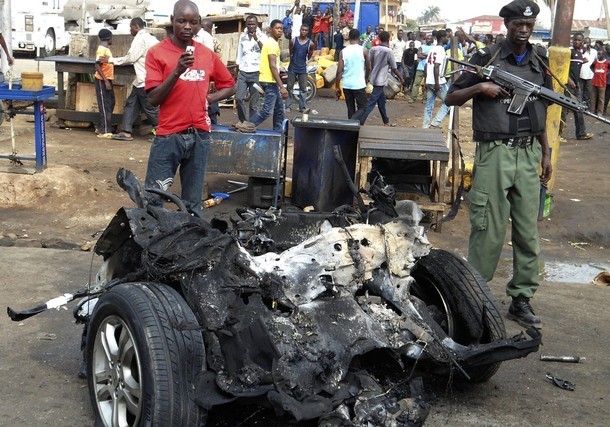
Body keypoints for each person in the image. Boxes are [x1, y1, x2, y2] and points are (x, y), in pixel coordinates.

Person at [445, 0, 553, 329]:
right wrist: (480, 86)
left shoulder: (539, 61)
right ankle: (474, 296)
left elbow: (541, 111)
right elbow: (450, 96)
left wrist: (546, 151)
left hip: (529, 152)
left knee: (527, 231)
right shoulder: (485, 57)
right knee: (488, 227)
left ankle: (521, 299)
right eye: (518, 24)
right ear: (506, 25)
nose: (523, 30)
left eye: (529, 25)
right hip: (495, 152)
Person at [144, 0, 236, 217]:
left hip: (199, 137)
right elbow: (153, 99)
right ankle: (150, 246)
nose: (188, 27)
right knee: (153, 200)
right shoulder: (157, 53)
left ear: (199, 24)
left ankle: (189, 245)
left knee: (193, 204)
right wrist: (177, 70)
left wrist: (209, 98)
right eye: (182, 21)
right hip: (169, 137)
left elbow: (230, 85)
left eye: (193, 22)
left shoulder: (206, 53)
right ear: (172, 21)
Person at [104, 18, 159, 141]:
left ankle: (162, 132)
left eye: (130, 27)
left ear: (135, 26)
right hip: (142, 80)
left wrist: (111, 60)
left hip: (145, 80)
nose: (130, 30)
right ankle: (126, 131)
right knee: (131, 104)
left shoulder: (140, 39)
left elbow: (131, 58)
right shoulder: (151, 38)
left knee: (149, 108)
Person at [249, 20, 288, 131]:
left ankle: (277, 133)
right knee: (267, 110)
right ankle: (246, 125)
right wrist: (282, 87)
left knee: (279, 109)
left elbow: (263, 49)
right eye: (277, 28)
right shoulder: (272, 44)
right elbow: (273, 66)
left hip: (269, 80)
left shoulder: (270, 42)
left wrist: (256, 39)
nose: (280, 30)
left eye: (281, 28)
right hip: (269, 80)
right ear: (271, 29)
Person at [358, 31, 403, 126]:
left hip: (373, 77)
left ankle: (386, 121)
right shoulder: (389, 51)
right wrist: (401, 78)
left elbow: (368, 64)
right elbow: (394, 68)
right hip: (381, 79)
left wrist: (367, 76)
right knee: (371, 102)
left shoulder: (373, 49)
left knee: (381, 101)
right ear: (388, 40)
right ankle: (360, 121)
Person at [235, 15, 265, 125]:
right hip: (243, 72)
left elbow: (265, 50)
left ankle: (252, 124)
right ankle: (243, 121)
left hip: (256, 73)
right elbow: (239, 53)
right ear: (246, 24)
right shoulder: (242, 37)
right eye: (249, 24)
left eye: (253, 24)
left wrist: (256, 38)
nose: (251, 26)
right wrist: (237, 66)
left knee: (254, 102)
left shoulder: (262, 36)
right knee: (239, 98)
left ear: (256, 25)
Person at [562, 33, 593, 140]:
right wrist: (568, 79)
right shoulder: (569, 52)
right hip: (568, 84)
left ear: (582, 42)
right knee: (564, 109)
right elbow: (562, 68)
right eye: (575, 40)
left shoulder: (580, 54)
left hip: (576, 85)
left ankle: (581, 134)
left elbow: (583, 62)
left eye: (579, 40)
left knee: (578, 109)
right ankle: (558, 134)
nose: (576, 42)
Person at [336, 29, 370, 122]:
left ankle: (351, 129)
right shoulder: (364, 50)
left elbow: (339, 70)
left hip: (346, 84)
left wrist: (337, 86)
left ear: (349, 38)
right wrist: (366, 78)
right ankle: (351, 121)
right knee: (363, 107)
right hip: (359, 84)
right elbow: (368, 68)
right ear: (359, 38)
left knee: (350, 108)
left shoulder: (343, 51)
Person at [422, 30, 451, 129]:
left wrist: (426, 80)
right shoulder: (441, 50)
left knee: (429, 105)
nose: (448, 38)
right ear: (442, 38)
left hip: (429, 81)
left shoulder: (432, 49)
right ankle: (435, 123)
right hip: (438, 82)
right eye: (446, 37)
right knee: (448, 102)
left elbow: (426, 66)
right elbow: (436, 66)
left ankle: (425, 126)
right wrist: (437, 83)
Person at [286, 24, 314, 113]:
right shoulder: (293, 41)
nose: (303, 32)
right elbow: (291, 51)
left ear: (308, 32)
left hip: (302, 68)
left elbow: (309, 55)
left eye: (305, 30)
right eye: (302, 30)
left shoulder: (310, 43)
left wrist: (303, 62)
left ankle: (302, 107)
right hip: (292, 67)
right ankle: (287, 106)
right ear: (300, 30)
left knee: (303, 88)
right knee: (289, 87)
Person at [94, 29, 115, 138]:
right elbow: (97, 65)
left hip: (107, 79)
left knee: (111, 103)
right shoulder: (102, 50)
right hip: (102, 80)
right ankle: (105, 130)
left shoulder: (106, 49)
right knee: (104, 105)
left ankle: (101, 126)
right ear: (109, 38)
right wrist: (106, 80)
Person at [410, 33, 433, 103]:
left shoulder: (434, 47)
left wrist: (424, 54)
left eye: (429, 39)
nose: (427, 40)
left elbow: (432, 57)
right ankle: (413, 98)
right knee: (416, 83)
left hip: (429, 68)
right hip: (420, 67)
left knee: (427, 84)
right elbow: (419, 55)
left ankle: (425, 98)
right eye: (427, 39)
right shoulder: (421, 46)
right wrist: (428, 55)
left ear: (432, 40)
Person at [590, 48, 609, 115]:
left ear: (603, 55)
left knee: (601, 98)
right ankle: (592, 110)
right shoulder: (595, 61)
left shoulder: (607, 62)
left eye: (600, 54)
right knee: (593, 97)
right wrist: (594, 72)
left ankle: (599, 112)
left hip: (602, 83)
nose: (598, 55)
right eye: (598, 54)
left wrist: (606, 73)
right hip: (594, 82)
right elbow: (591, 67)